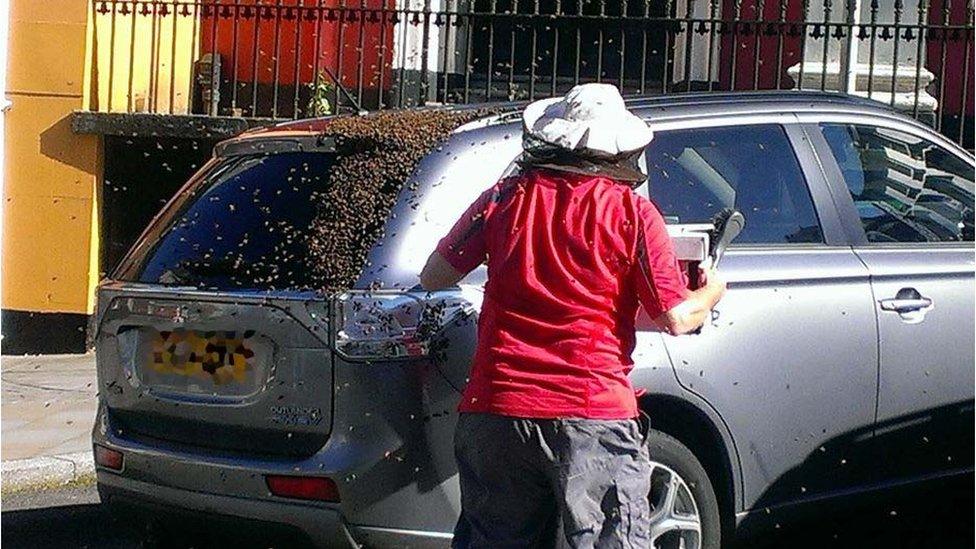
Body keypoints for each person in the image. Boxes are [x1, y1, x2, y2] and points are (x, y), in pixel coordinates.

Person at [419, 83, 727, 548]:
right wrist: (712, 292)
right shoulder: (632, 212)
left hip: (496, 411)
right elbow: (677, 318)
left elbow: (434, 276)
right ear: (621, 151)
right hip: (591, 412)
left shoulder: (502, 199)